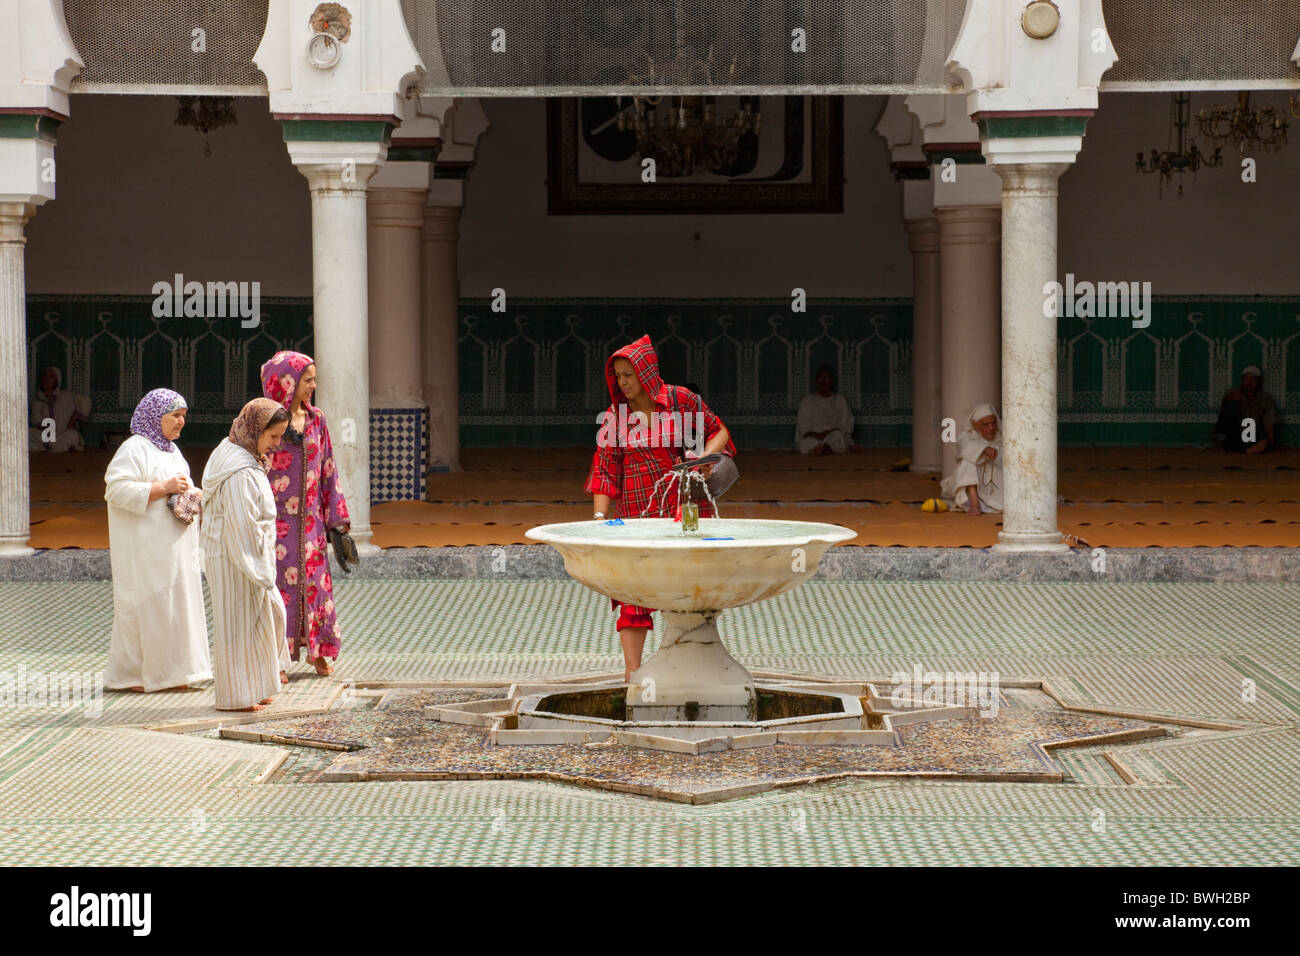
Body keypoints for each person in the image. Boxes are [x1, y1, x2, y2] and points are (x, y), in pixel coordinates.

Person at [585, 335, 737, 682]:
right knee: (632, 590)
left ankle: (695, 667)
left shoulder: (681, 400)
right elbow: (605, 469)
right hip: (637, 509)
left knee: (691, 584)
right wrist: (598, 518)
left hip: (684, 502)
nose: (623, 383)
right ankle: (633, 674)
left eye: (629, 375)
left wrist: (703, 456)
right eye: (618, 376)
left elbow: (719, 431)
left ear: (646, 373)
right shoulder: (615, 416)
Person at [103, 389, 212, 692]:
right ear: (156, 415)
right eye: (176, 415)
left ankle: (176, 673)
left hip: (175, 549)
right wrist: (161, 487)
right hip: (146, 551)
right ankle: (139, 675)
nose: (181, 422)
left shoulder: (171, 450)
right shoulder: (134, 448)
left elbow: (180, 487)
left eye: (184, 417)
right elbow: (116, 489)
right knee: (148, 607)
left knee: (176, 606)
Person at [260, 350, 350, 676]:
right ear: (288, 382)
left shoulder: (317, 419)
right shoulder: (265, 422)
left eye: (313, 379)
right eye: (307, 379)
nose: (313, 385)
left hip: (311, 524)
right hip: (275, 525)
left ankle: (320, 652)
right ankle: (278, 660)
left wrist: (338, 522)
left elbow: (329, 469)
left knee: (317, 588)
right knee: (279, 591)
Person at [202, 398, 292, 712]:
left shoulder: (239, 453)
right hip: (235, 557)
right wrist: (260, 568)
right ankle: (236, 697)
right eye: (273, 437)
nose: (276, 445)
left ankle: (258, 686)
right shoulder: (238, 469)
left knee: (263, 618)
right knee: (237, 625)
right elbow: (242, 525)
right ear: (255, 431)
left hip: (244, 555)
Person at [940, 403, 1003, 516]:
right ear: (975, 425)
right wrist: (983, 449)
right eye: (986, 425)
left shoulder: (1002, 437)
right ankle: (974, 502)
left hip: (995, 485)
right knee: (968, 460)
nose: (991, 428)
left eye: (993, 423)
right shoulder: (966, 436)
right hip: (970, 487)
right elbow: (965, 446)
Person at [796, 365, 862, 455]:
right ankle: (825, 448)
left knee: (838, 436)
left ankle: (823, 448)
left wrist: (827, 433)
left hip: (833, 436)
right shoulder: (807, 400)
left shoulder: (840, 400)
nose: (822, 381)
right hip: (813, 437)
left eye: (826, 378)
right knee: (805, 443)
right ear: (816, 381)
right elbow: (802, 427)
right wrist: (817, 435)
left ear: (832, 381)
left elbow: (847, 426)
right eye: (819, 378)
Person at [1214, 365, 1279, 454]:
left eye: (1253, 379)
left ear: (1258, 381)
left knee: (1262, 441)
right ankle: (1222, 445)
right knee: (1231, 406)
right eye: (1246, 379)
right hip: (1235, 434)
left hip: (1252, 435)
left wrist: (1270, 443)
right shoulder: (1233, 393)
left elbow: (1269, 423)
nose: (1249, 382)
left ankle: (1244, 451)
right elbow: (1223, 417)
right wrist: (1230, 400)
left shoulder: (1265, 398)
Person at [29, 366, 91, 452]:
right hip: (46, 436)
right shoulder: (37, 401)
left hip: (62, 434)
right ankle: (57, 448)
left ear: (57, 380)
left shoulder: (67, 396)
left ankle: (48, 448)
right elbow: (35, 421)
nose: (46, 379)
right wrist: (44, 427)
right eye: (45, 376)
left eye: (51, 377)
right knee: (28, 433)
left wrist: (74, 418)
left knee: (73, 435)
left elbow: (85, 401)